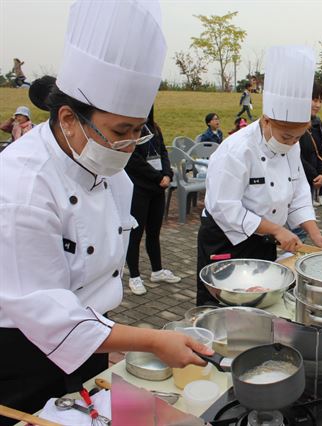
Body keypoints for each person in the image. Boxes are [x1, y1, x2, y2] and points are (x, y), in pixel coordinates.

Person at [0, 2, 212, 422]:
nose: (130, 144)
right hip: (23, 353)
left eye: (139, 130)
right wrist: (150, 340)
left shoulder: (107, 166)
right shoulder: (21, 188)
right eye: (120, 131)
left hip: (93, 336)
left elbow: (98, 277)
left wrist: (115, 342)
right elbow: (47, 313)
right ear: (68, 118)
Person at [196, 46, 322, 306]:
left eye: (298, 136)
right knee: (221, 309)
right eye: (286, 136)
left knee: (262, 304)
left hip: (265, 239)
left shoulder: (292, 145)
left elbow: (299, 193)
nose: (292, 142)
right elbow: (224, 208)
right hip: (227, 241)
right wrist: (276, 229)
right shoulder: (236, 150)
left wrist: (315, 234)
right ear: (267, 119)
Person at [125, 106, 180, 296]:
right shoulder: (131, 130)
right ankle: (134, 276)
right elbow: (133, 160)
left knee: (154, 232)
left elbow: (163, 152)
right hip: (139, 188)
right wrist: (157, 177)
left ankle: (157, 271)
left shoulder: (154, 128)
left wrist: (167, 174)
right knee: (135, 234)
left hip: (158, 188)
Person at [299, 82, 322, 206]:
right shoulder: (293, 123)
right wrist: (314, 174)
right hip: (298, 179)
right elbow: (295, 154)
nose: (318, 105)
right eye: (314, 100)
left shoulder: (318, 123)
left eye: (320, 101)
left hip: (312, 181)